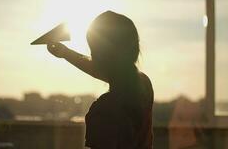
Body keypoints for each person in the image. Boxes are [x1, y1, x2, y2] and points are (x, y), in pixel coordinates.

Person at [47, 10, 154, 149]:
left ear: (101, 57)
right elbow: (111, 70)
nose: (92, 56)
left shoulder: (104, 110)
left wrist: (66, 54)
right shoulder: (144, 85)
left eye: (93, 51)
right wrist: (66, 53)